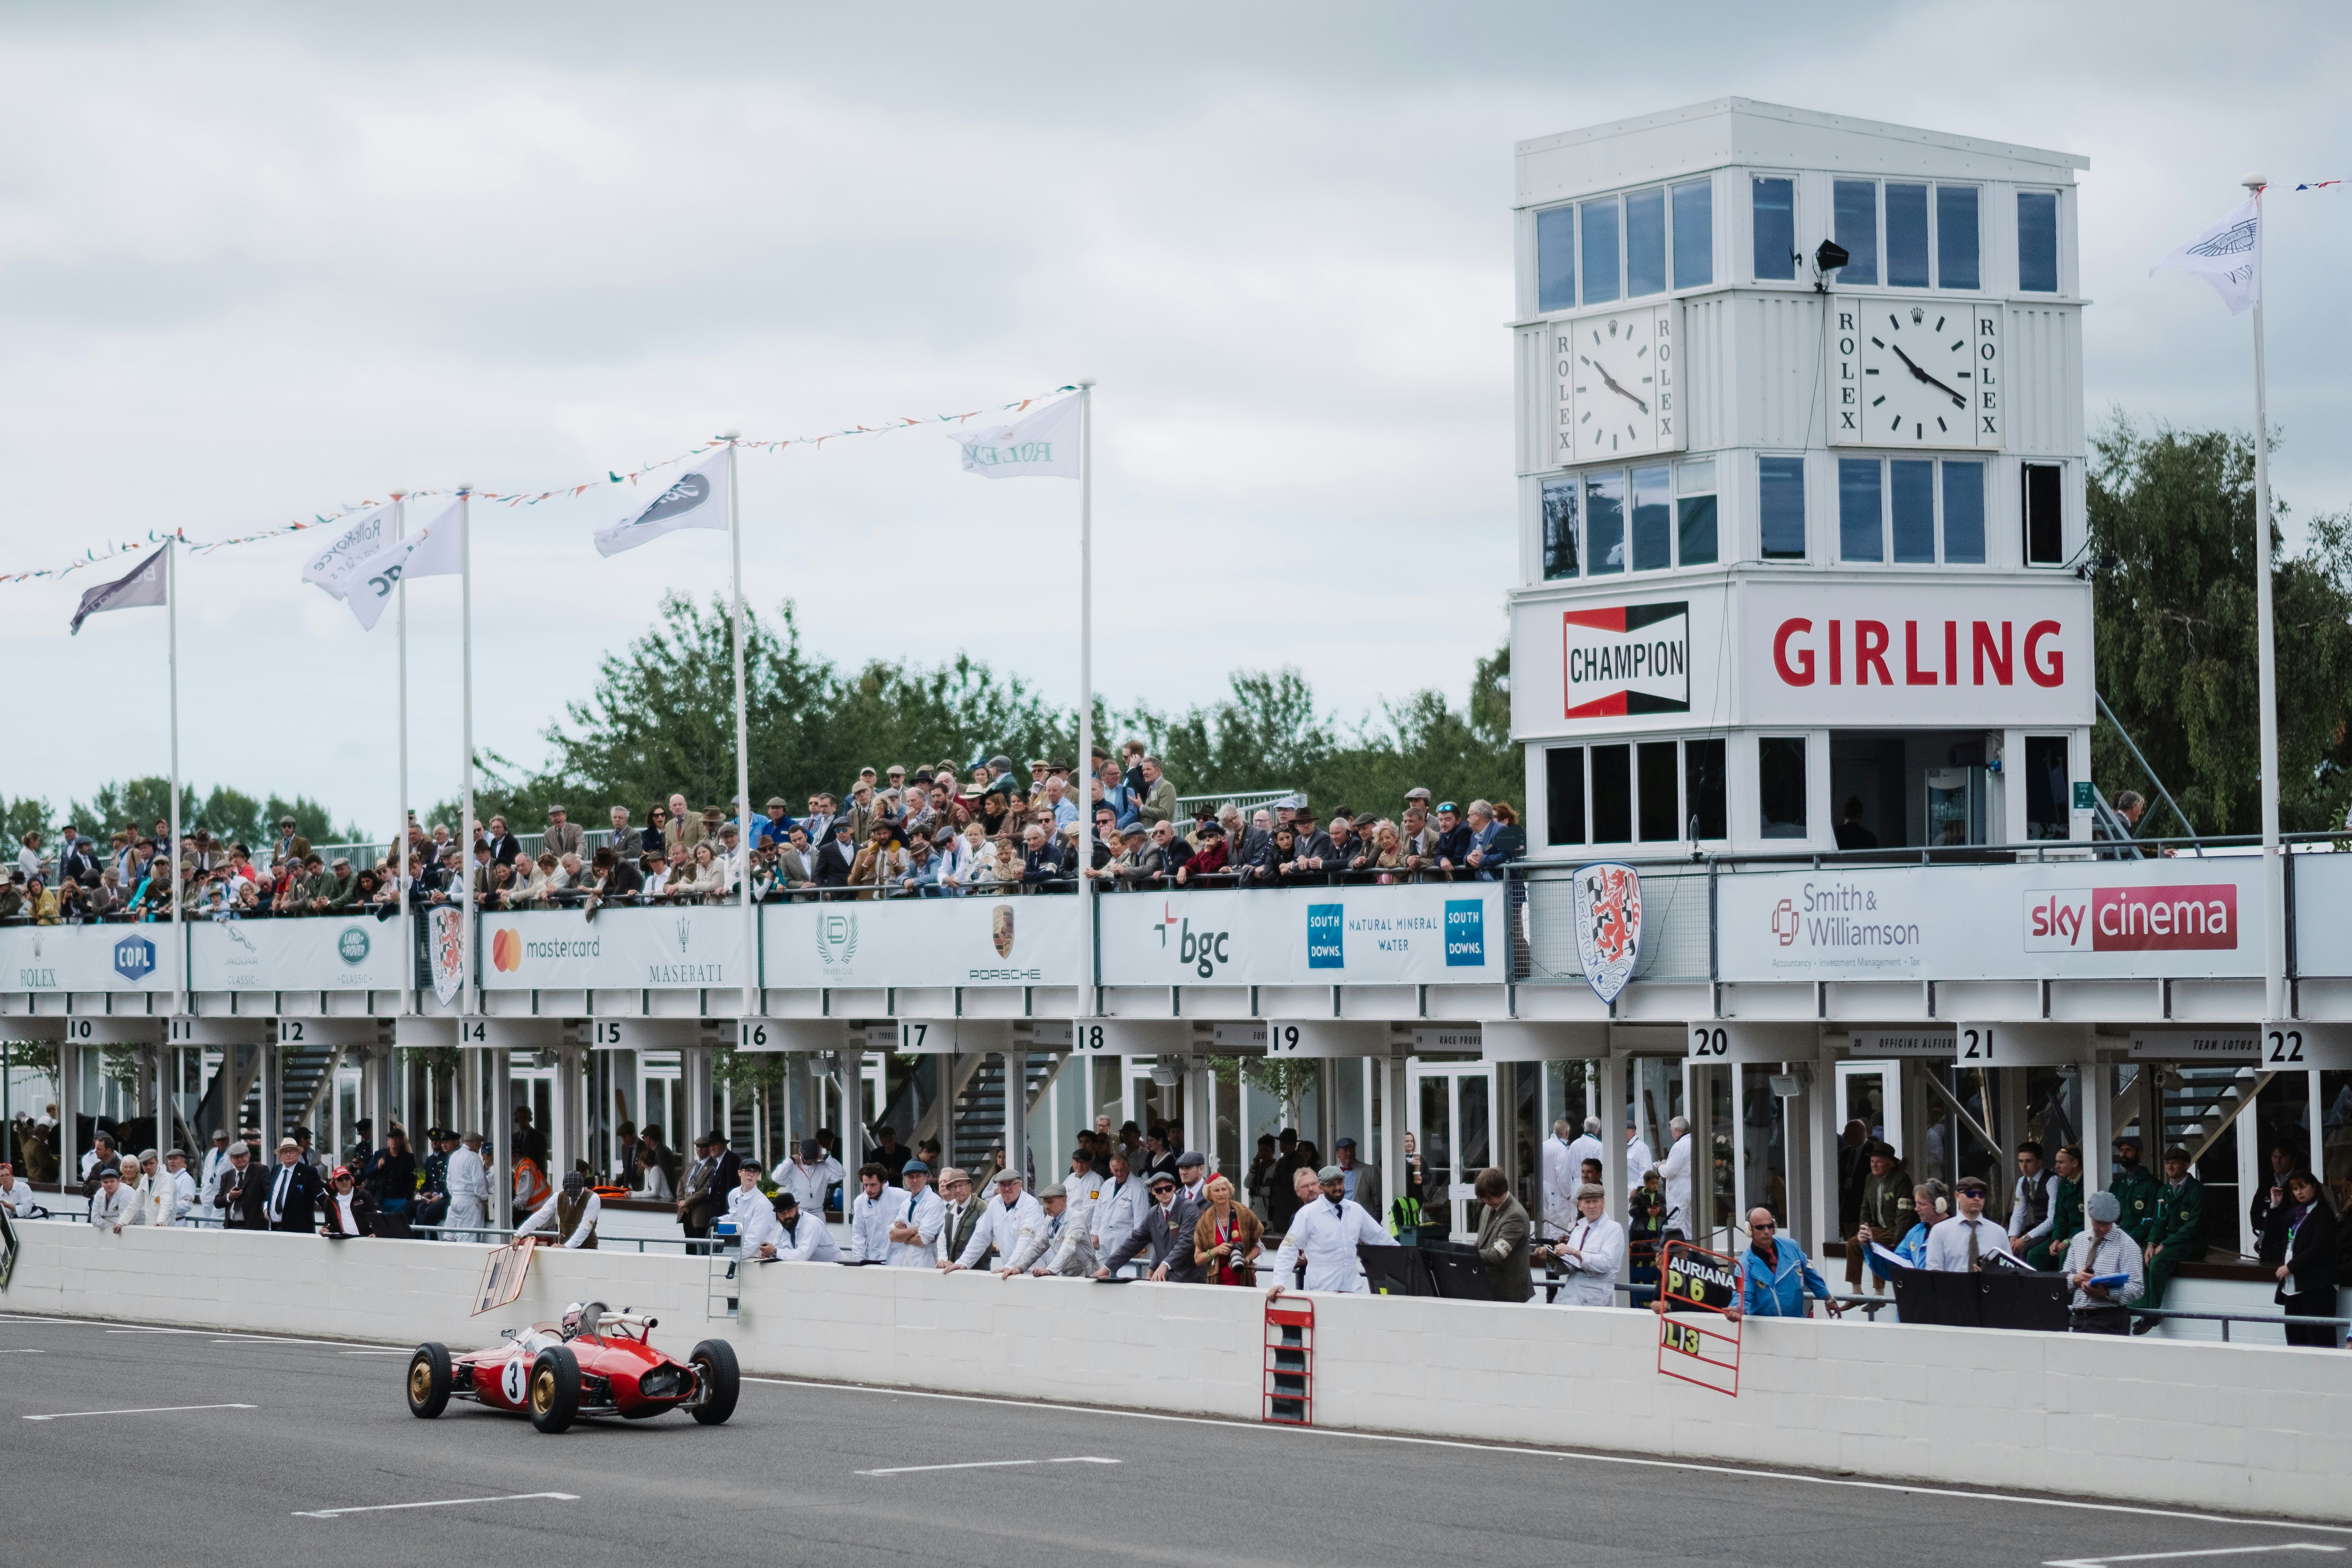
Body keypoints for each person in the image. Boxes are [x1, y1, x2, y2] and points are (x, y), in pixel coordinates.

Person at [1267, 1165, 1394, 1296]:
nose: (1337, 1188)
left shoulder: (1355, 1210)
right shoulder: (1307, 1214)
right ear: (1321, 1188)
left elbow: (1380, 1237)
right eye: (1331, 1184)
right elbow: (1289, 1247)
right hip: (1320, 1291)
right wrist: (1279, 1282)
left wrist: (1406, 1257)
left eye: (1340, 1183)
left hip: (1352, 1290)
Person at [2258, 1171, 2339, 1347]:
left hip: (2316, 1287)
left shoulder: (2323, 1213)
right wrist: (2275, 1205)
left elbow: (2319, 1248)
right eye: (2295, 1189)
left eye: (2303, 1187)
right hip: (2293, 1287)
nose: (2299, 1193)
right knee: (2295, 1339)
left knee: (2318, 1340)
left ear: (2314, 1187)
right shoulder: (2296, 1213)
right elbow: (2273, 1233)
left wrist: (2290, 1267)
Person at [1722, 1209, 1841, 1320]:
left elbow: (1810, 1274)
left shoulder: (1791, 1246)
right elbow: (1743, 1295)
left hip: (1796, 1323)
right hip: (1765, 1331)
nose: (1767, 1232)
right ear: (1749, 1230)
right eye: (1760, 1228)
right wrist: (1737, 1309)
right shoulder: (1745, 1264)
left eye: (1770, 1226)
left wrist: (1828, 1298)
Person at [1096, 1168, 1203, 1283]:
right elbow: (1134, 1241)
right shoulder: (1153, 1213)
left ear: (1174, 1188)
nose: (1164, 1193)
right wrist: (1107, 1267)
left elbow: (1185, 1242)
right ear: (1153, 1192)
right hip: (1166, 1279)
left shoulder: (1188, 1208)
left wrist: (1165, 1265)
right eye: (1159, 1190)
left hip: (1190, 1278)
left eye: (1168, 1188)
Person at [2064, 1190, 2146, 1336]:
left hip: (2110, 1318)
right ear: (2091, 1217)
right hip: (2079, 1318)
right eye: (2098, 1222)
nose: (2101, 1228)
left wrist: (2108, 1292)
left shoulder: (2127, 1245)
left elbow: (2138, 1287)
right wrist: (2075, 1280)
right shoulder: (2079, 1240)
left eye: (2107, 1223)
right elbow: (2063, 1278)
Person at [2140, 1146, 2206, 1317]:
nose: (2170, 1167)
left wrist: (2164, 1244)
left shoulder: (2197, 1190)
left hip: (2191, 1244)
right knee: (2142, 1255)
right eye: (2167, 1163)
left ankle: (2152, 1313)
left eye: (2174, 1163)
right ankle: (2141, 1306)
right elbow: (2158, 1223)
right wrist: (2151, 1244)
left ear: (2186, 1165)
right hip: (2169, 1243)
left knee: (2159, 1260)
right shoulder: (2163, 1191)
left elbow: (2192, 1227)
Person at [1538, 1183, 1626, 1307]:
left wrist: (1574, 1252)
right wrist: (1549, 1257)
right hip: (1571, 1292)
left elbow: (1606, 1264)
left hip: (1596, 1293)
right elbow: (1569, 1267)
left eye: (1595, 1201)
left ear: (1603, 1203)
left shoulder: (1613, 1229)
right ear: (1580, 1206)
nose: (1591, 1206)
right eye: (1587, 1202)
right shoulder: (1579, 1230)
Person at [944, 1169, 1044, 1273]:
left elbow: (1026, 1240)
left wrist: (1010, 1266)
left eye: (1011, 1184)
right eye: (1002, 1185)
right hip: (1009, 1272)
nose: (1007, 1188)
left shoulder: (1031, 1205)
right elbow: (981, 1236)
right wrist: (964, 1262)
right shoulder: (995, 1204)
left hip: (1034, 1272)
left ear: (1020, 1185)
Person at [1850, 1141, 1911, 1295]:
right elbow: (1864, 1209)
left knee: (1874, 1243)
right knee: (1853, 1243)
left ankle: (1879, 1292)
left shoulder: (1901, 1179)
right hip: (1877, 1228)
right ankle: (1856, 1291)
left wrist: (1897, 1241)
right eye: (1872, 1161)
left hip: (1895, 1230)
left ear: (1890, 1164)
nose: (1874, 1165)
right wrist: (1864, 1230)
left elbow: (1904, 1216)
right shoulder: (1870, 1179)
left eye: (1879, 1162)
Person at [1923, 1176, 2011, 1271]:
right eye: (1971, 1194)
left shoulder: (1999, 1233)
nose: (1977, 1198)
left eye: (1981, 1195)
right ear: (1957, 1196)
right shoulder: (1940, 1231)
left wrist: (1989, 1275)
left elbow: (2009, 1271)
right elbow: (1934, 1270)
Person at [1472, 1167, 1533, 1302]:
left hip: (1508, 1292)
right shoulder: (1489, 1207)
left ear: (1502, 1191)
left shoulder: (1515, 1216)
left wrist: (1467, 1255)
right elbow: (1481, 1242)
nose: (1485, 1201)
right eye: (1483, 1197)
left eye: (1488, 1197)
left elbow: (1497, 1255)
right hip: (1487, 1287)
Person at [1194, 1174, 1264, 1286]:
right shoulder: (1205, 1222)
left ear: (1229, 1192)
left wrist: (1246, 1260)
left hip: (1244, 1278)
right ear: (1210, 1195)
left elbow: (1259, 1247)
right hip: (1217, 1281)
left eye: (1224, 1189)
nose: (1221, 1194)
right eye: (1217, 1190)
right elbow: (1198, 1259)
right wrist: (1215, 1251)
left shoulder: (1244, 1214)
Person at [2026, 1145, 2085, 1271]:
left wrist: (2069, 1241)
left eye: (2061, 1162)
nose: (2057, 1166)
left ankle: (2064, 1290)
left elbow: (2087, 1222)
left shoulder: (2087, 1182)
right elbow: (2060, 1217)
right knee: (2035, 1254)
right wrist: (2056, 1239)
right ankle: (2041, 1290)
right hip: (2065, 1237)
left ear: (2075, 1163)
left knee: (2066, 1254)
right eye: (2057, 1162)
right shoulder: (2065, 1184)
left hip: (2082, 1238)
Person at [514, 1170, 601, 1250]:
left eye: (576, 1194)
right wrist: (519, 1234)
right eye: (569, 1194)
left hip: (588, 1249)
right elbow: (539, 1217)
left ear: (582, 1187)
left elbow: (585, 1227)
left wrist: (567, 1246)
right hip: (564, 1248)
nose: (573, 1197)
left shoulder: (593, 1198)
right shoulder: (558, 1197)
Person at [883, 1161, 945, 1268]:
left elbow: (923, 1239)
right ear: (906, 1180)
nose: (915, 1180)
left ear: (926, 1178)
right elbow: (892, 1236)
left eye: (919, 1176)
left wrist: (903, 1235)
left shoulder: (934, 1202)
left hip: (927, 1262)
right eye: (911, 1177)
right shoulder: (906, 1204)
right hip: (908, 1261)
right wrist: (915, 1230)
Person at [773, 1138, 841, 1220]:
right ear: (800, 1152)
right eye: (807, 1158)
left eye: (812, 1158)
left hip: (818, 1213)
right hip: (799, 1212)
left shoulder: (822, 1167)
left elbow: (841, 1174)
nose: (809, 1161)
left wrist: (827, 1158)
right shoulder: (793, 1167)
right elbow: (776, 1177)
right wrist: (790, 1160)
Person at [2007, 1141, 2052, 1257]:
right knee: (2008, 1248)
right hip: (2036, 1229)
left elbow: (2053, 1220)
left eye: (2029, 1161)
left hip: (2052, 1232)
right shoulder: (2022, 1182)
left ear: (2039, 1163)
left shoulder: (2052, 1181)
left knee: (2026, 1250)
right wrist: (2013, 1237)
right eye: (2021, 1161)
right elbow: (2018, 1214)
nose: (2024, 1166)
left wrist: (2025, 1239)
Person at [444, 1131, 489, 1238]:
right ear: (473, 1143)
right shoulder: (473, 1157)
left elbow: (449, 1181)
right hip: (470, 1201)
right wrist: (486, 1198)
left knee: (452, 1236)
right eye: (479, 1144)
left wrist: (455, 1194)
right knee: (469, 1237)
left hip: (455, 1199)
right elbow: (479, 1183)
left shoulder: (454, 1156)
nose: (480, 1147)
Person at [936, 1168, 984, 1266]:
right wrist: (943, 1259)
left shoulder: (982, 1208)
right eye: (954, 1187)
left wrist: (960, 1264)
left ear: (970, 1186)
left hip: (977, 1272)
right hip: (953, 1271)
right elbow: (942, 1239)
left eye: (961, 1185)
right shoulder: (950, 1211)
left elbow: (980, 1242)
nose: (958, 1190)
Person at [848, 1164, 894, 1262]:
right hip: (872, 1258)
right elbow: (858, 1234)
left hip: (896, 1258)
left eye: (873, 1185)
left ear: (883, 1183)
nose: (868, 1190)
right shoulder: (860, 1201)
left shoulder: (901, 1196)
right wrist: (860, 1260)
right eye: (866, 1185)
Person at [1654, 1116, 1691, 1236]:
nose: (1672, 1134)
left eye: (1672, 1131)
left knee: (1676, 1222)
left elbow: (1669, 1171)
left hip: (1679, 1188)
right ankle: (1690, 1252)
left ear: (1678, 1130)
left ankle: (1678, 1253)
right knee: (1690, 1223)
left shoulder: (1679, 1146)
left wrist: (1660, 1166)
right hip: (1691, 1186)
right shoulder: (1693, 1142)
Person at [319, 1166, 378, 1238]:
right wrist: (327, 1230)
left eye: (347, 1178)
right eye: (340, 1179)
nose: (344, 1182)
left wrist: (376, 1233)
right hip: (345, 1242)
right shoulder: (330, 1201)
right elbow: (330, 1224)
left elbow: (378, 1217)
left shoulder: (364, 1195)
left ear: (352, 1180)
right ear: (333, 1183)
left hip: (367, 1239)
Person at [1334, 1137, 1379, 1219]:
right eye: (1346, 1150)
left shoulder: (1369, 1171)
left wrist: (1374, 1222)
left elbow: (1377, 1201)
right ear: (1338, 1154)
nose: (1349, 1153)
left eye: (1352, 1150)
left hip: (1362, 1219)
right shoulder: (1332, 1172)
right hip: (1337, 1218)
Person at [149, 1148, 196, 1228]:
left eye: (175, 1159)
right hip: (163, 1222)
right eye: (170, 1159)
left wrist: (167, 1206)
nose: (172, 1162)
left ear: (183, 1161)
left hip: (178, 1223)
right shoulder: (167, 1178)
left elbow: (188, 1204)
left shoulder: (186, 1179)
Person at [88, 1166, 132, 1233]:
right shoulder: (99, 1194)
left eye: (112, 1181)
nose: (109, 1185)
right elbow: (94, 1220)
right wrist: (111, 1224)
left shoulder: (126, 1193)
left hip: (136, 1229)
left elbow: (125, 1220)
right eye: (106, 1182)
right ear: (102, 1184)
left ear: (119, 1181)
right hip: (116, 1231)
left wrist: (105, 1218)